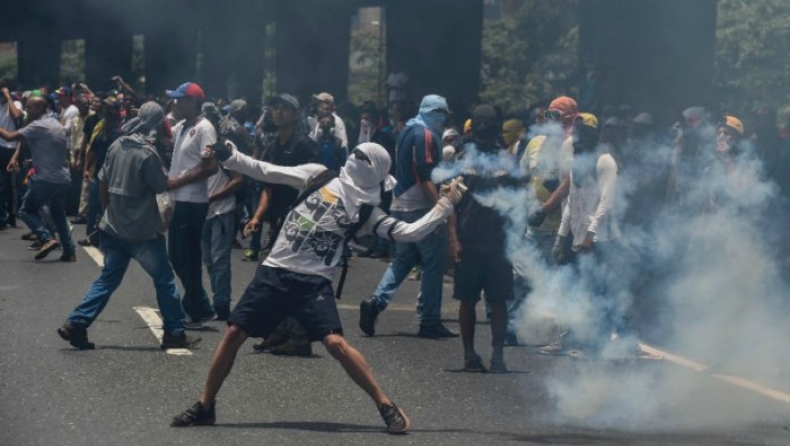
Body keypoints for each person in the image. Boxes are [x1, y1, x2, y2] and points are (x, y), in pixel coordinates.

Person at [171, 141, 466, 433]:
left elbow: (409, 232)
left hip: (313, 283)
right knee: (234, 332)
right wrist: (230, 156)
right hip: (275, 271)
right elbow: (266, 170)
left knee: (336, 344)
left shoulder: (367, 211)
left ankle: (386, 405)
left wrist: (444, 205)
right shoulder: (319, 176)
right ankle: (205, 406)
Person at [57, 102, 200, 350]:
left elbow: (103, 183)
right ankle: (175, 332)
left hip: (113, 227)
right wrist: (197, 173)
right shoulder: (148, 154)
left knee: (106, 281)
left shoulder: (117, 145)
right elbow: (162, 186)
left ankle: (76, 323)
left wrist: (108, 213)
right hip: (143, 233)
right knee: (165, 281)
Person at [359, 94, 458, 339]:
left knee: (403, 261)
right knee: (433, 264)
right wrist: (440, 210)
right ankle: (429, 320)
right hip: (420, 206)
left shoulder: (407, 130)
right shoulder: (424, 134)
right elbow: (425, 174)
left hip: (399, 204)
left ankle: (376, 302)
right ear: (435, 112)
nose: (444, 120)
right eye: (442, 115)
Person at [449, 105, 526, 373]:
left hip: (499, 244)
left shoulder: (508, 162)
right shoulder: (460, 160)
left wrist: (516, 240)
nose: (483, 128)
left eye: (488, 123)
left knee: (498, 301)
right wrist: (453, 240)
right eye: (479, 123)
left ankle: (497, 356)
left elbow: (519, 204)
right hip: (468, 243)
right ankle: (470, 355)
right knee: (467, 300)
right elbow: (449, 204)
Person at [166, 82, 220, 326]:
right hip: (180, 199)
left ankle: (199, 307)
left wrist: (179, 181)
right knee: (178, 255)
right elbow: (166, 137)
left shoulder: (204, 128)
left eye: (181, 99)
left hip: (192, 201)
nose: (176, 103)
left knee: (185, 256)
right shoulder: (183, 126)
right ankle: (198, 305)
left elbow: (210, 166)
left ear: (194, 102)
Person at [1, 96, 76, 261]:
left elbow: (8, 136)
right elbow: (53, 149)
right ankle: (69, 251)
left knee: (26, 210)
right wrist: (34, 161)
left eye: (30, 108)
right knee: (58, 214)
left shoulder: (38, 125)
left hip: (46, 179)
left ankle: (46, 238)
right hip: (63, 178)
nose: (27, 111)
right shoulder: (55, 123)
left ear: (41, 109)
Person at [201, 103, 244, 321]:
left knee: (220, 259)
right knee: (208, 259)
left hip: (222, 211)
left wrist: (213, 197)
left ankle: (222, 304)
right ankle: (217, 298)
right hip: (201, 212)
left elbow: (237, 179)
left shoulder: (226, 146)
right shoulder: (197, 144)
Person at [0, 82, 23, 229]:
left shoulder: (16, 104)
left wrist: (8, 97)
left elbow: (17, 115)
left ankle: (12, 215)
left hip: (11, 148)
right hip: (0, 147)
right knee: (1, 185)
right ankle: (2, 217)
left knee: (9, 185)